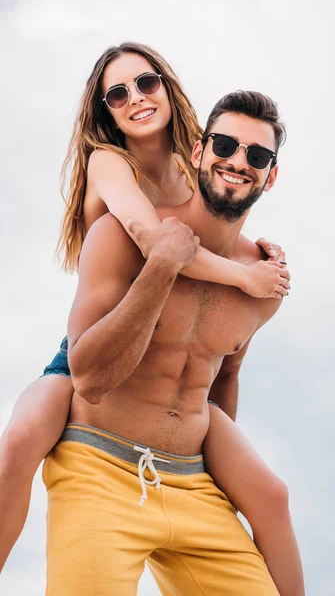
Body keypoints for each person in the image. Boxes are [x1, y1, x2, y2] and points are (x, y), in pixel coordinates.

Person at [0, 43, 303, 596]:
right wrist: (242, 277)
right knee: (17, 443)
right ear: (104, 110)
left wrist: (252, 266)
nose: (136, 98)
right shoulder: (110, 164)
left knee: (273, 496)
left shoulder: (200, 175)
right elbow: (156, 239)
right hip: (86, 353)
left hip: (180, 442)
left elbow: (220, 357)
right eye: (118, 93)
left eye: (146, 83)